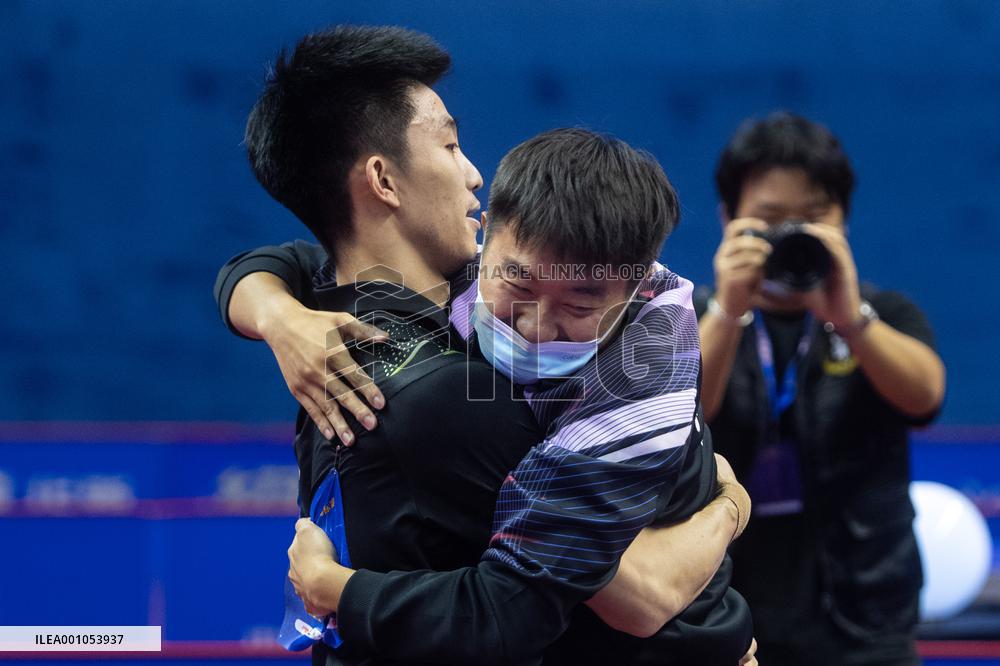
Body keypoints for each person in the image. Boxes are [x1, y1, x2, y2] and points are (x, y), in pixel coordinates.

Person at [216, 26, 754, 665]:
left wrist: (273, 313)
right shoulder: (464, 397)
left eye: (580, 305)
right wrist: (729, 504)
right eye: (450, 145)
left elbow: (277, 261)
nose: (474, 174)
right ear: (383, 180)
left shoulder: (323, 310)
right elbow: (634, 594)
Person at [697, 111, 946, 665]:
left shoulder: (883, 313)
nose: (790, 236)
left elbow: (925, 398)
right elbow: (685, 414)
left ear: (843, 220)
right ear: (728, 219)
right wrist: (729, 311)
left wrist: (850, 318)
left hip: (866, 617)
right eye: (769, 219)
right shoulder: (692, 319)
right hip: (728, 616)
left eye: (811, 219)